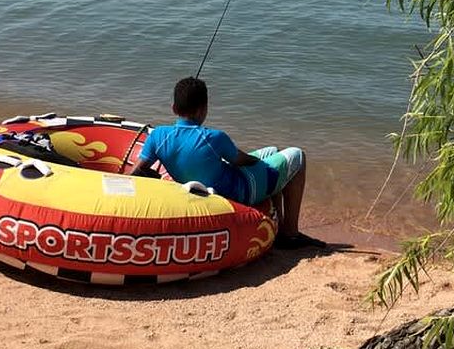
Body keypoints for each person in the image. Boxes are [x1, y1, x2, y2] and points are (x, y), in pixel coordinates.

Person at [131, 77, 324, 249]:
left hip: (204, 186)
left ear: (174, 108)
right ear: (203, 109)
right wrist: (258, 164)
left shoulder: (158, 137)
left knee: (272, 150)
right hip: (240, 191)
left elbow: (137, 171)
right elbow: (243, 159)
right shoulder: (214, 137)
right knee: (297, 156)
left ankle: (280, 224)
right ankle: (290, 234)